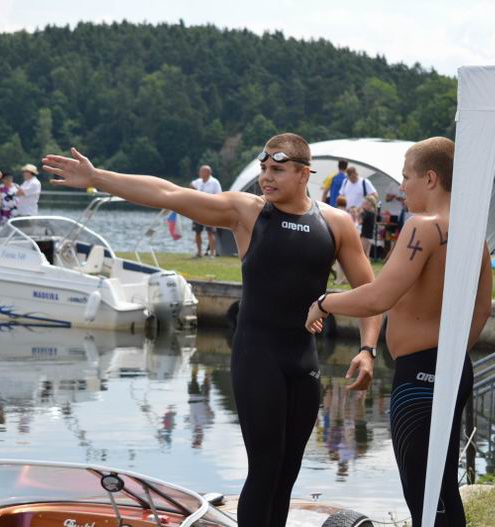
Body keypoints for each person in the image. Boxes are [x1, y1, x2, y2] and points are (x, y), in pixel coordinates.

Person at [42, 133, 382, 527]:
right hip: (258, 356)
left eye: (277, 170)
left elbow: (369, 293)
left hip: (303, 360)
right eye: (263, 169)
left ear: (304, 174)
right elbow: (169, 194)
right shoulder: (247, 212)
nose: (266, 178)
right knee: (265, 466)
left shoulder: (335, 224)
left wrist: (367, 349)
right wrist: (97, 178)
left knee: (287, 471)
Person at [304, 137, 492, 526]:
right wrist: (451, 353)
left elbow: (379, 296)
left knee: (423, 493)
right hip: (452, 369)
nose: (402, 186)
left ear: (431, 178)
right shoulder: (473, 233)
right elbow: (483, 308)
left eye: (407, 177)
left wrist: (324, 302)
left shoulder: (422, 227)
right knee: (441, 489)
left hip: (419, 377)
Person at [190, 165, 222, 258]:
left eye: (202, 171)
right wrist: (195, 191)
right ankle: (199, 252)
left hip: (210, 210)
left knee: (210, 232)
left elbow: (219, 195)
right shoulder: (198, 181)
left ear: (208, 173)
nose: (200, 173)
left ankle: (212, 253)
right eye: (200, 171)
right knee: (197, 232)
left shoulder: (215, 182)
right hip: (198, 210)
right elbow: (191, 184)